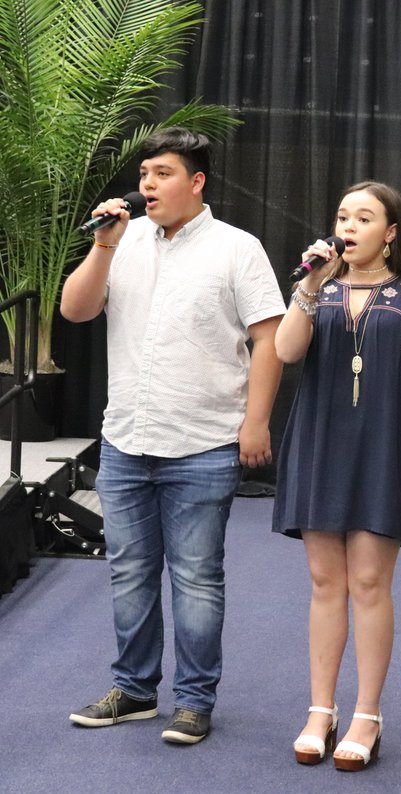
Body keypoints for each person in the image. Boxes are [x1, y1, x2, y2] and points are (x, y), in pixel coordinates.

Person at [59, 127, 285, 745]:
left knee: (195, 578)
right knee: (130, 573)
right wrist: (103, 245)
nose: (148, 185)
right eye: (144, 174)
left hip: (203, 442)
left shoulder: (238, 248)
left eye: (162, 173)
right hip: (126, 440)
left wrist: (256, 421)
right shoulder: (122, 239)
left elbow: (269, 338)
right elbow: (75, 310)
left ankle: (193, 700)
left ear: (197, 182)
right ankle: (134, 690)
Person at [272, 181, 401, 772]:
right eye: (343, 216)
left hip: (384, 449)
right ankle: (320, 710)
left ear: (390, 233)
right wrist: (308, 286)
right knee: (325, 583)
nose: (348, 227)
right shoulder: (317, 289)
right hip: (320, 445)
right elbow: (286, 352)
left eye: (364, 218)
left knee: (370, 582)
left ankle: (367, 715)